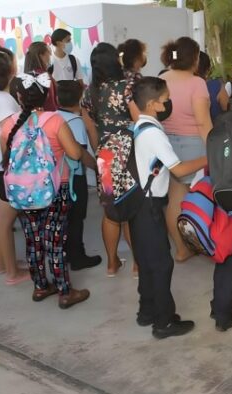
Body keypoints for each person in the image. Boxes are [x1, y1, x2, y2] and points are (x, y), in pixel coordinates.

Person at [1, 72, 90, 308]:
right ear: (46, 94)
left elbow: (7, 158)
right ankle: (64, 291)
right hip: (54, 190)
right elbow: (74, 153)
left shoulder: (8, 124)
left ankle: (40, 286)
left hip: (23, 193)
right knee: (56, 241)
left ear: (18, 96)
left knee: (33, 239)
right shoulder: (54, 120)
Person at [130, 76, 207, 338]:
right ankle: (163, 322)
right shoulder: (153, 133)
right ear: (153, 104)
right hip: (149, 205)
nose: (168, 104)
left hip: (138, 203)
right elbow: (179, 169)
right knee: (162, 264)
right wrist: (207, 158)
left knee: (147, 260)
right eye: (165, 100)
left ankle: (147, 311)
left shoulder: (139, 125)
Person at [81, 42, 138, 278]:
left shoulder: (88, 93)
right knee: (133, 210)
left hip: (105, 153)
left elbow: (91, 130)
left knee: (110, 211)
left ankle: (112, 264)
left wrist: (100, 153)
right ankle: (138, 265)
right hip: (131, 151)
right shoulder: (128, 85)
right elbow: (139, 118)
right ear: (116, 61)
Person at [160, 36, 212, 262]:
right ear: (194, 58)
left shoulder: (161, 78)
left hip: (165, 144)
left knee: (174, 197)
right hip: (194, 145)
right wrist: (213, 148)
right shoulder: (196, 82)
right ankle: (206, 243)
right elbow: (202, 121)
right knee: (204, 196)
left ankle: (181, 249)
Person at [57, 80, 101, 271]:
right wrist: (97, 167)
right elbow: (80, 153)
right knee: (76, 218)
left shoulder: (54, 117)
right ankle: (78, 257)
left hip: (57, 176)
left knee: (63, 217)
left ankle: (65, 251)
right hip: (75, 177)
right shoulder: (76, 122)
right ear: (80, 99)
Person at [0, 48, 30, 285]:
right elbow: (8, 138)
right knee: (6, 222)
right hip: (4, 168)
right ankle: (12, 273)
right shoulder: (5, 101)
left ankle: (4, 265)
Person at [24, 42, 58, 111]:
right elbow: (50, 103)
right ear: (41, 55)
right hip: (48, 116)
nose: (51, 54)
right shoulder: (43, 76)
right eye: (48, 52)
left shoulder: (27, 76)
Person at [197, 51, 229, 121]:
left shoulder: (181, 88)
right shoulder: (217, 86)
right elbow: (228, 111)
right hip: (214, 129)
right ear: (208, 70)